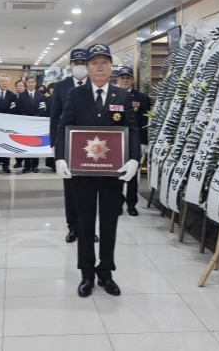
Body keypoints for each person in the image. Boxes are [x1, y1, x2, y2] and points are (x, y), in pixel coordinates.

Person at [55, 44, 140, 297]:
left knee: (109, 222)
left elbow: (133, 130)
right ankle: (86, 273)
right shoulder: (75, 94)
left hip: (113, 172)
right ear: (87, 67)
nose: (99, 67)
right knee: (85, 222)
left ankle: (106, 272)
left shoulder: (122, 96)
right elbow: (64, 126)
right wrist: (60, 157)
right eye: (94, 63)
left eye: (104, 62)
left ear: (111, 66)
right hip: (83, 172)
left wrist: (134, 159)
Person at [49, 49, 91, 243]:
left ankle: (89, 228)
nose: (80, 66)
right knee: (71, 187)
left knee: (91, 189)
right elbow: (55, 117)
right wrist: (54, 144)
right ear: (71, 65)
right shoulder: (61, 86)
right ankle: (73, 227)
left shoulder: (97, 84)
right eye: (76, 62)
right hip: (69, 143)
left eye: (83, 62)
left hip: (93, 146)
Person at [115, 66, 151, 216]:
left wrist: (143, 143)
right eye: (122, 78)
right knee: (116, 174)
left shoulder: (141, 97)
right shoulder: (112, 95)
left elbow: (145, 121)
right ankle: (117, 202)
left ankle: (131, 204)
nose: (125, 80)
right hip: (116, 142)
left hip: (134, 142)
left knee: (133, 175)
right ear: (117, 79)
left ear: (133, 80)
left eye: (128, 78)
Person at [17, 75, 47, 173]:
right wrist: (27, 118)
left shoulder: (41, 95)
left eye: (33, 82)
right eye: (29, 82)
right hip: (25, 124)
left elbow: (43, 109)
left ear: (35, 83)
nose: (31, 84)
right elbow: (19, 109)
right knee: (26, 144)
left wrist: (35, 118)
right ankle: (26, 166)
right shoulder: (21, 96)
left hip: (36, 124)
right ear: (26, 83)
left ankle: (35, 165)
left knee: (36, 144)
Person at [0, 73, 17, 173]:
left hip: (6, 123)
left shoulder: (12, 95)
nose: (4, 83)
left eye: (6, 81)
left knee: (6, 143)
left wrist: (5, 117)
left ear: (8, 82)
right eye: (2, 81)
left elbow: (13, 108)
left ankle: (6, 165)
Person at [12, 79, 27, 169]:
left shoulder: (27, 96)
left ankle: (27, 162)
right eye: (18, 86)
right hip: (16, 123)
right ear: (16, 87)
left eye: (22, 86)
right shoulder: (13, 96)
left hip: (26, 122)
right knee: (17, 143)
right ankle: (18, 161)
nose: (20, 87)